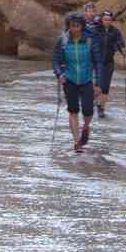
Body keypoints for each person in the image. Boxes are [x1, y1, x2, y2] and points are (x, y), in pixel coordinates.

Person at [53, 13, 101, 152]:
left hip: (86, 80)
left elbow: (98, 62)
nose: (74, 29)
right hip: (69, 80)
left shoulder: (90, 41)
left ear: (82, 26)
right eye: (72, 26)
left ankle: (86, 127)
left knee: (88, 110)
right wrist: (59, 74)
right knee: (73, 111)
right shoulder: (62, 41)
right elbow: (56, 60)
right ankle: (77, 142)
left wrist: (98, 82)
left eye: (77, 26)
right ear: (68, 26)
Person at [95, 10, 125, 118]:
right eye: (105, 20)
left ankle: (101, 108)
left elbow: (122, 42)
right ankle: (95, 101)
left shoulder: (115, 31)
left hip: (108, 62)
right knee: (98, 85)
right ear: (101, 20)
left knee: (106, 86)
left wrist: (118, 45)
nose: (107, 22)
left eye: (109, 20)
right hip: (97, 62)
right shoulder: (96, 30)